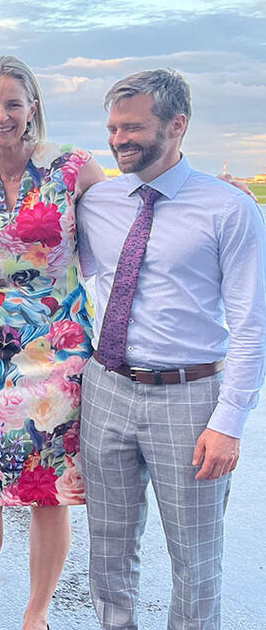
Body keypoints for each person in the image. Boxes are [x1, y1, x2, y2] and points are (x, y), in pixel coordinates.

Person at [77, 69, 266, 630]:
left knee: (195, 559)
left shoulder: (229, 209)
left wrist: (229, 422)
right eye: (113, 128)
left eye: (133, 127)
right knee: (107, 552)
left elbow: (252, 324)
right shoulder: (97, 203)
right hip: (107, 388)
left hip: (190, 398)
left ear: (177, 125)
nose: (118, 139)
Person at [0, 55, 106, 630]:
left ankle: (36, 613)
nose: (2, 115)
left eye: (12, 103)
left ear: (32, 108)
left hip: (62, 347)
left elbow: (132, 222)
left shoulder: (74, 167)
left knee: (50, 486)